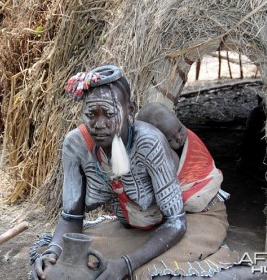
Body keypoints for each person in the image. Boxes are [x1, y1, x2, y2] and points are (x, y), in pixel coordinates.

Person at [31, 65, 240, 280]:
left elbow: (176, 222)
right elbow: (72, 216)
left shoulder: (148, 142)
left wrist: (126, 265)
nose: (99, 124)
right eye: (91, 114)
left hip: (192, 220)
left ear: (130, 110)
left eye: (109, 113)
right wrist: (52, 253)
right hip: (140, 227)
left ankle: (240, 273)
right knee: (53, 261)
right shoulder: (75, 145)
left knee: (151, 274)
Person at [136, 102, 230, 213]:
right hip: (171, 189)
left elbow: (205, 166)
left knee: (204, 191)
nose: (179, 138)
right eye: (170, 139)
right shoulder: (154, 152)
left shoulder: (190, 139)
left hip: (196, 182)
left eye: (180, 129)